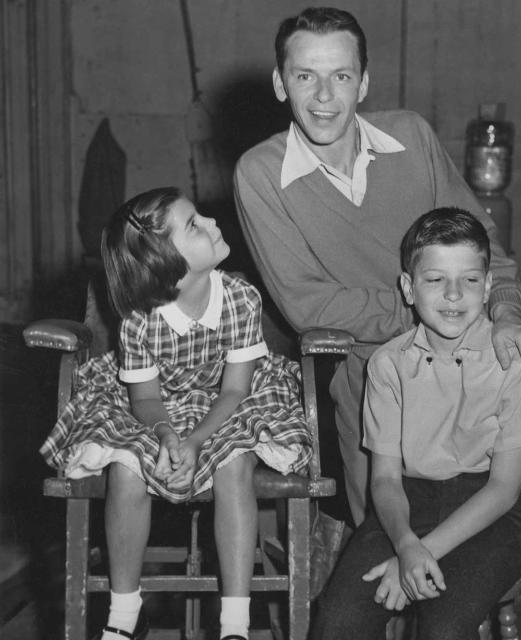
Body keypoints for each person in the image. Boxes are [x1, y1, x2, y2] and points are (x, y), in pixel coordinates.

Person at [233, 6, 521, 527]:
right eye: (305, 76)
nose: (324, 97)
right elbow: (307, 305)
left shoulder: (411, 136)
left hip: (472, 354)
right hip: (371, 368)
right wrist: (436, 311)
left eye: (341, 75)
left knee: (484, 537)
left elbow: (485, 245)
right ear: (279, 84)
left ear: (363, 83)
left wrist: (508, 310)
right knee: (388, 544)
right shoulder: (262, 173)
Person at [40, 188, 312, 640]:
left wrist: (196, 440)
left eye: (200, 216)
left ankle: (235, 625)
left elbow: (236, 390)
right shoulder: (139, 319)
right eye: (194, 225)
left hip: (226, 403)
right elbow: (144, 400)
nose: (211, 222)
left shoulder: (241, 299)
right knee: (127, 469)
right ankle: (125, 614)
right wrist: (167, 435)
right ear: (168, 268)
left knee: (235, 463)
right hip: (156, 407)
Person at [315, 207, 521, 639]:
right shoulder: (389, 365)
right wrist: (405, 546)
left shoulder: (515, 360)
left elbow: (504, 489)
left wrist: (422, 555)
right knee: (338, 622)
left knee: (444, 629)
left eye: (470, 280)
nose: (454, 295)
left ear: (488, 287)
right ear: (408, 287)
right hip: (409, 503)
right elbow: (384, 479)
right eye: (435, 279)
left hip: (493, 507)